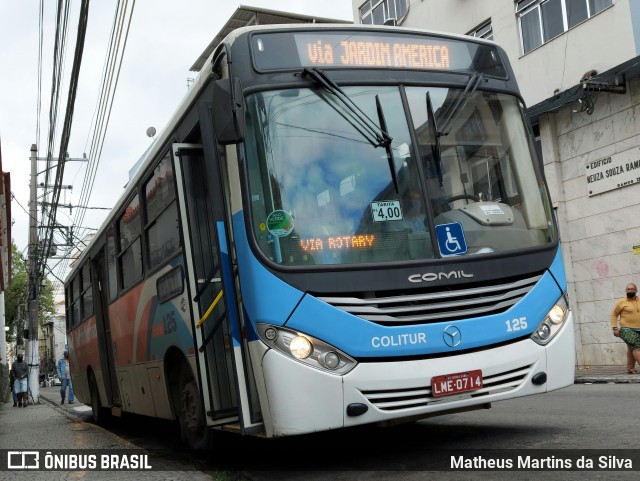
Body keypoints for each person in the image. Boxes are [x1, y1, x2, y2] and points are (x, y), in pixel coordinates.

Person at [610, 283, 640, 374]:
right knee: (637, 347)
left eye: (632, 289)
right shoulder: (621, 302)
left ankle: (630, 368)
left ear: (636, 291)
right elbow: (614, 315)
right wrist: (615, 328)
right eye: (628, 289)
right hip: (627, 329)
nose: (630, 290)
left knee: (631, 349)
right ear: (626, 291)